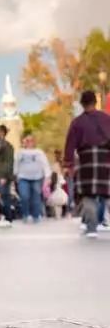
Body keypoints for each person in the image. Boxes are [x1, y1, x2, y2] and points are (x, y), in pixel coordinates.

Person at [64, 90, 110, 238]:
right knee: (108, 194)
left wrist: (69, 164)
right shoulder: (106, 119)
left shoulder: (77, 122)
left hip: (86, 160)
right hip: (106, 159)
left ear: (82, 103)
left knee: (88, 196)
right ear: (95, 102)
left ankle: (91, 229)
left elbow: (70, 144)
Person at [14, 133, 51, 223]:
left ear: (34, 142)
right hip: (23, 177)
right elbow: (15, 164)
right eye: (27, 140)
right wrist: (15, 175)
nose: (29, 142)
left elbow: (45, 164)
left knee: (36, 197)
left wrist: (47, 176)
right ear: (24, 142)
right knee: (24, 196)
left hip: (37, 178)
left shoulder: (39, 152)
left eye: (31, 140)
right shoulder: (20, 152)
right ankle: (25, 214)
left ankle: (36, 215)